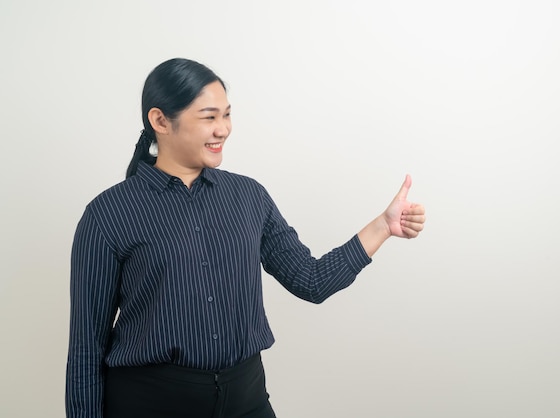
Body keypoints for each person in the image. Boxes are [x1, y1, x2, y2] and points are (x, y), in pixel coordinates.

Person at [65, 58, 426, 418]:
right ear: (160, 121)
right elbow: (86, 349)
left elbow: (311, 280)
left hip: (246, 401)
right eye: (209, 117)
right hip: (150, 404)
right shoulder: (107, 214)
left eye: (226, 115)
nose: (223, 129)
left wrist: (382, 226)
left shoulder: (249, 197)